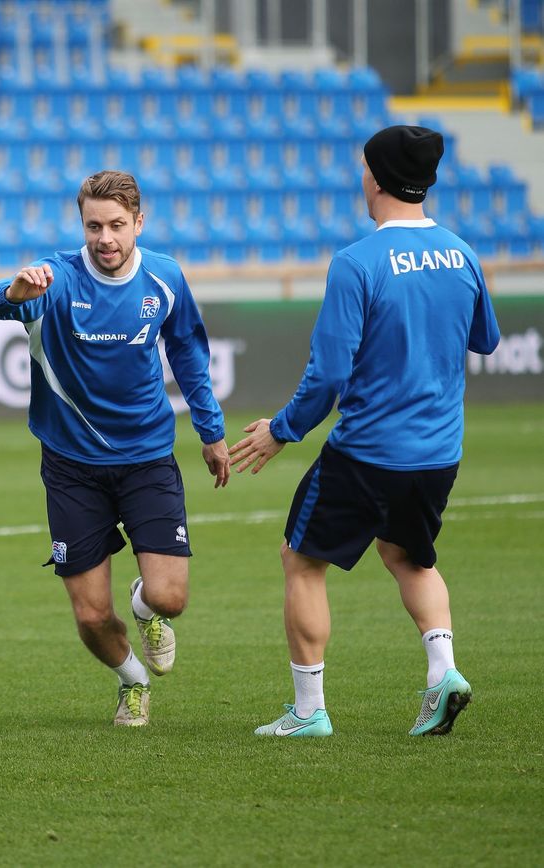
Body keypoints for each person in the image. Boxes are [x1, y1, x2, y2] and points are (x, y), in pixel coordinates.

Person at [229, 125, 500, 738]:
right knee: (410, 557)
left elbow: (328, 373)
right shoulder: (462, 254)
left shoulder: (357, 263)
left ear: (375, 177)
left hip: (369, 451)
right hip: (438, 453)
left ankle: (307, 711)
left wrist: (281, 430)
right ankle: (443, 672)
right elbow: (485, 339)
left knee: (301, 560)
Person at [0, 170, 230, 727]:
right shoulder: (53, 279)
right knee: (89, 616)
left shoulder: (165, 277)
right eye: (93, 226)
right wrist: (12, 293)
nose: (105, 238)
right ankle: (131, 682)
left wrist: (211, 432)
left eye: (115, 225)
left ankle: (146, 608)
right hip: (71, 466)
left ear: (139, 222)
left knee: (170, 598)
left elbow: (188, 355)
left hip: (147, 457)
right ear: (81, 224)